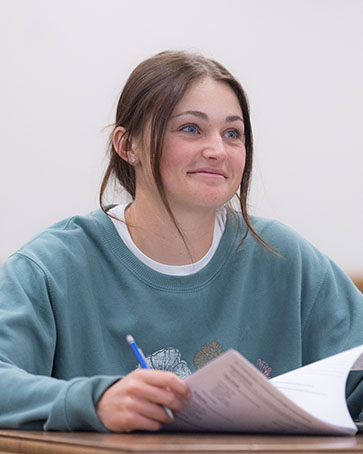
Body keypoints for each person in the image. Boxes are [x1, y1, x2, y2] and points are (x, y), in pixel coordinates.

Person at [0, 50, 363, 434]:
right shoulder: (52, 266)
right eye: (190, 128)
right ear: (128, 146)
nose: (217, 150)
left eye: (232, 133)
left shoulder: (285, 258)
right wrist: (94, 401)